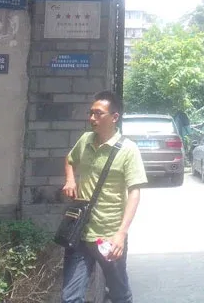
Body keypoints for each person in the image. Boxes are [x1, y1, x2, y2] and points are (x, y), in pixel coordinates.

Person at [60, 91, 147, 303]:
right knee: (70, 297)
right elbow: (70, 159)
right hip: (79, 233)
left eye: (98, 113)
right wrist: (70, 180)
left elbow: (134, 192)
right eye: (91, 113)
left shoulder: (128, 150)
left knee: (119, 294)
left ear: (114, 117)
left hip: (109, 237)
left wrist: (121, 234)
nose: (92, 118)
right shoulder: (85, 140)